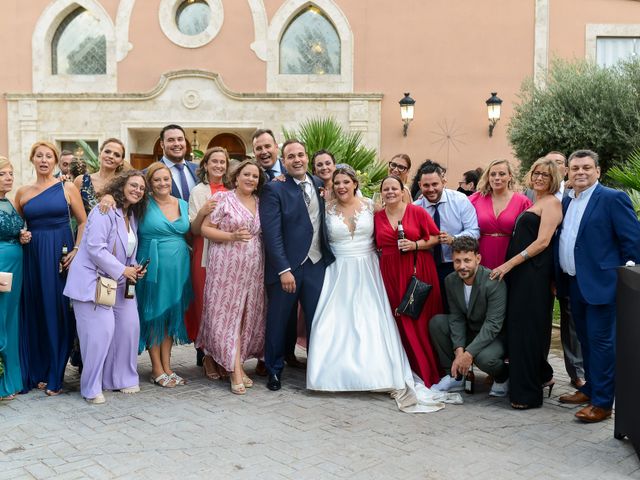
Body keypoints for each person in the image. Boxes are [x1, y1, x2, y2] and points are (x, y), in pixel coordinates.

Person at [307, 167, 456, 412]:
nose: (342, 186)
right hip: (338, 272)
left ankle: (376, 373)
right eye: (338, 182)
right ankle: (331, 375)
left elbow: (397, 220)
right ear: (332, 185)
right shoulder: (326, 209)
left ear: (355, 183)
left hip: (369, 270)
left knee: (373, 321)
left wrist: (415, 242)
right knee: (333, 322)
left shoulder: (371, 208)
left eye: (346, 181)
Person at [556, 149, 640, 423]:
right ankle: (590, 388)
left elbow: (633, 243)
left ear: (598, 171)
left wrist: (624, 279)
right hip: (575, 283)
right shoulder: (568, 202)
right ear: (568, 172)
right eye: (575, 168)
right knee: (586, 341)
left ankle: (603, 403)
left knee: (602, 344)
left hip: (602, 285)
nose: (580, 172)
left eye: (586, 168)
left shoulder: (612, 199)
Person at [64, 171, 148, 404]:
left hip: (119, 282)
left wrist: (134, 268)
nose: (137, 190)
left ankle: (120, 378)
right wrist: (123, 270)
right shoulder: (104, 211)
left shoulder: (131, 216)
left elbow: (126, 250)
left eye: (142, 188)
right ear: (121, 186)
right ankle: (91, 387)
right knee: (101, 333)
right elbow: (95, 248)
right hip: (92, 282)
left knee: (129, 327)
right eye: (133, 185)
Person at [259, 139, 335, 391]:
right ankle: (274, 370)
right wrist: (283, 269)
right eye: (291, 156)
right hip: (288, 268)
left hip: (316, 264)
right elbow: (272, 234)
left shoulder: (318, 184)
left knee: (317, 319)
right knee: (279, 320)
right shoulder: (274, 189)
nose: (297, 160)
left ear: (307, 157)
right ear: (284, 160)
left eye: (301, 155)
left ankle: (317, 369)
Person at [490, 158, 563, 409]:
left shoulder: (552, 203)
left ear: (554, 179)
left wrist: (508, 264)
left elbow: (543, 242)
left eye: (545, 174)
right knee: (519, 330)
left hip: (534, 275)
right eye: (536, 173)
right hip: (523, 275)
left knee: (528, 332)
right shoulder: (536, 202)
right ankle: (542, 376)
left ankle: (528, 395)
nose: (540, 177)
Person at [15, 141, 87, 395]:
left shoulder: (66, 187)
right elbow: (16, 227)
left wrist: (77, 251)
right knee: (35, 310)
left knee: (56, 311)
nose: (44, 160)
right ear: (32, 159)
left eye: (49, 156)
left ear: (55, 161)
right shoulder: (22, 192)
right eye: (39, 156)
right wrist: (21, 234)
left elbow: (83, 222)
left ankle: (56, 373)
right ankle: (39, 371)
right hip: (32, 257)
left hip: (60, 255)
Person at [197, 160, 266, 395]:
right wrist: (231, 236)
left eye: (255, 176)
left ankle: (229, 361)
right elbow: (205, 229)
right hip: (225, 266)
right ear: (236, 177)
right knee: (228, 316)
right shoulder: (224, 199)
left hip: (253, 269)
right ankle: (235, 370)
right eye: (246, 174)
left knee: (246, 316)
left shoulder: (259, 202)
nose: (250, 179)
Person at [374, 175, 442, 387]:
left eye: (394, 188)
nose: (391, 192)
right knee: (397, 319)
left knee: (417, 319)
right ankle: (404, 368)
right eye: (386, 189)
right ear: (382, 193)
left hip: (417, 269)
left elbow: (434, 237)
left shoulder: (417, 212)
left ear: (403, 190)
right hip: (390, 272)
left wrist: (414, 245)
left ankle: (426, 369)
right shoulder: (377, 217)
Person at [136, 162, 192, 388]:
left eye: (166, 179)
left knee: (169, 315)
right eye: (157, 179)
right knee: (153, 314)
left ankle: (167, 366)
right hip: (151, 266)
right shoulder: (142, 204)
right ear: (150, 183)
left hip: (179, 267)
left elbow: (192, 231)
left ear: (171, 181)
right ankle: (156, 368)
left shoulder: (183, 204)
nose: (162, 183)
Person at [253, 129, 305, 371]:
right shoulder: (251, 175)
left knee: (288, 306)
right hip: (255, 250)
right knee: (265, 306)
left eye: (267, 147)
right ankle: (265, 357)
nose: (264, 152)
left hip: (287, 251)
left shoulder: (293, 174)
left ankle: (288, 352)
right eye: (258, 148)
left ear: (276, 148)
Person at [429, 236, 509, 396]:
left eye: (467, 260)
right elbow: (456, 317)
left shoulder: (493, 282)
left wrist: (469, 353)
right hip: (471, 330)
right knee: (437, 322)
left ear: (477, 259)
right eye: (457, 261)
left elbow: (493, 325)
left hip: (494, 336)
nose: (462, 266)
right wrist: (459, 352)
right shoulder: (450, 280)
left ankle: (503, 377)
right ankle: (456, 376)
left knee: (484, 358)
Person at [413, 160, 479, 312]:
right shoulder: (416, 208)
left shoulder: (460, 200)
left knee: (458, 309)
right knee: (431, 309)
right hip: (427, 267)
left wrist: (454, 239)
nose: (431, 189)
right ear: (420, 184)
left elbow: (474, 231)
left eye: (435, 184)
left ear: (443, 182)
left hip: (455, 265)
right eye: (426, 185)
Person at [187, 147, 229, 379]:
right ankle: (207, 356)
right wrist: (203, 212)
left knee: (224, 306)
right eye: (215, 161)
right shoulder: (198, 191)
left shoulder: (233, 190)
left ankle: (223, 355)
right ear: (205, 164)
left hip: (228, 255)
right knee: (205, 306)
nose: (219, 166)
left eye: (223, 162)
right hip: (204, 254)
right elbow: (193, 230)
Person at [0, 157, 31, 400]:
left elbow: (11, 231)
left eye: (10, 173)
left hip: (16, 268)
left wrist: (21, 237)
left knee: (10, 320)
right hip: (1, 266)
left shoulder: (8, 202)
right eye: (3, 174)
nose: (9, 177)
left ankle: (10, 380)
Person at [470, 159, 532, 270]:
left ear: (510, 176)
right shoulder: (477, 198)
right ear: (488, 177)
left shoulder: (523, 201)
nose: (497, 178)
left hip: (510, 254)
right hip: (481, 252)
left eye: (502, 174)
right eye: (493, 174)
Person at [74, 138, 126, 214]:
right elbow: (69, 211)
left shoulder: (123, 185)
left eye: (117, 155)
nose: (111, 156)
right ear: (100, 154)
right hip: (85, 225)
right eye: (107, 152)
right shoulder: (81, 180)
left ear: (121, 161)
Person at [158, 124, 199, 202]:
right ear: (162, 144)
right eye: (171, 140)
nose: (176, 144)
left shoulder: (198, 169)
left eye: (180, 139)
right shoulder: (148, 174)